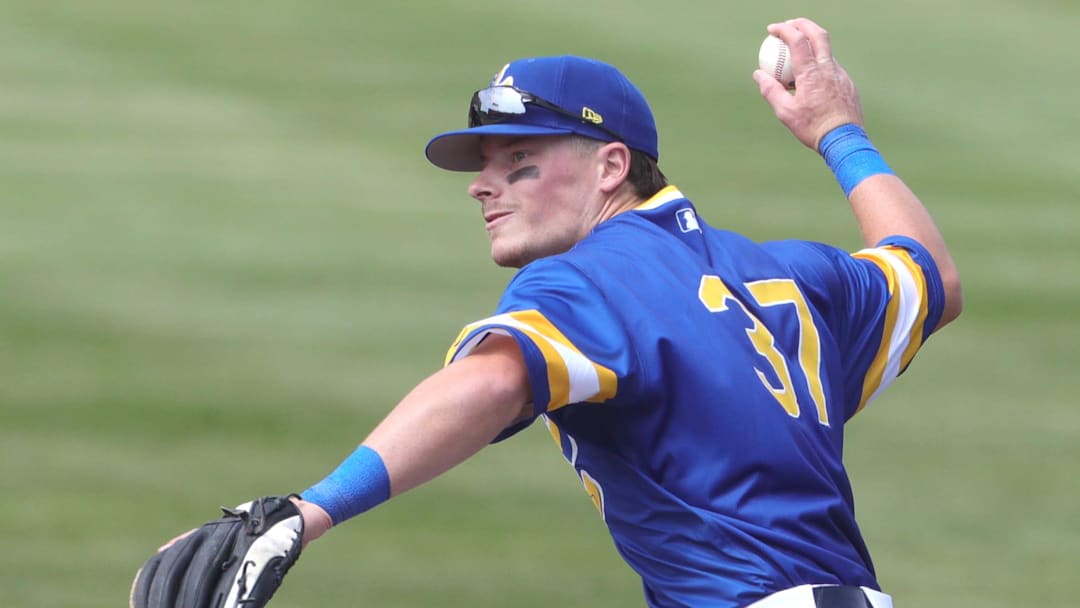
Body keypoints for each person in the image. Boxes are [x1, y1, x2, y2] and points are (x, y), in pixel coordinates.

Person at [135, 17, 962, 608]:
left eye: (520, 160)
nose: (482, 185)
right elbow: (929, 275)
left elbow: (494, 382)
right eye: (486, 164)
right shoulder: (793, 275)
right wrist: (837, 130)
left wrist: (309, 511)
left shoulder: (592, 280)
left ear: (611, 167)